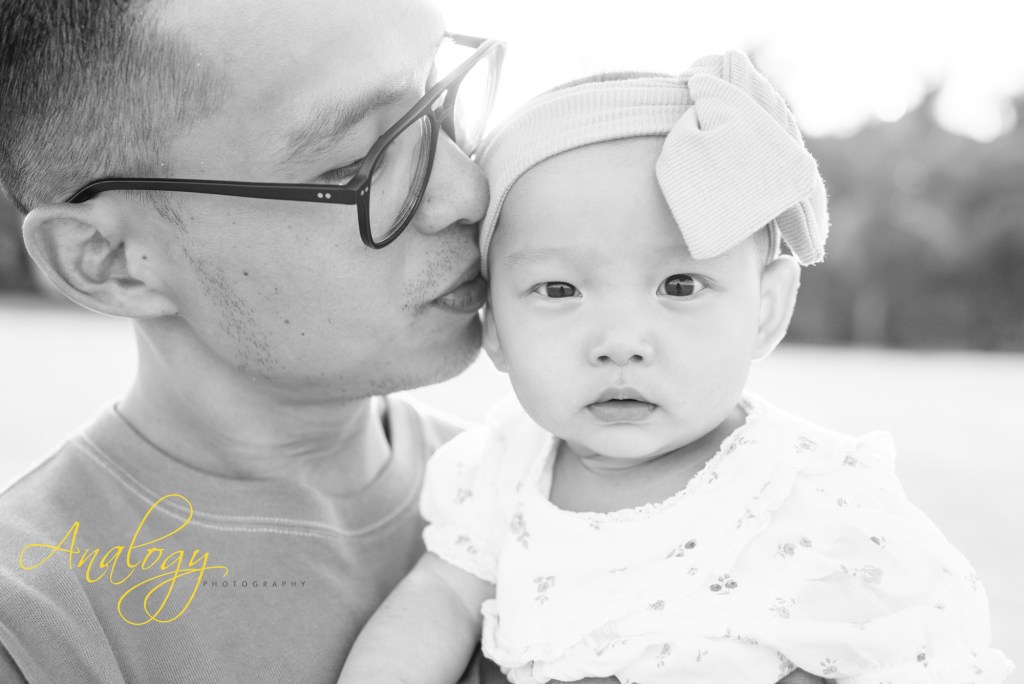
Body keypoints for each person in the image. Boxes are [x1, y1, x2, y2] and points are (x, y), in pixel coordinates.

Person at [338, 52, 1015, 684]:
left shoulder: (819, 505)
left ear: (766, 309)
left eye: (680, 286)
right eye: (558, 290)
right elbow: (440, 600)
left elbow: (932, 662)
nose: (620, 343)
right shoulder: (501, 472)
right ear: (495, 328)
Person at [0, 0, 509, 681]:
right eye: (354, 164)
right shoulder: (36, 634)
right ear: (109, 260)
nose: (467, 192)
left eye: (439, 99)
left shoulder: (550, 488)